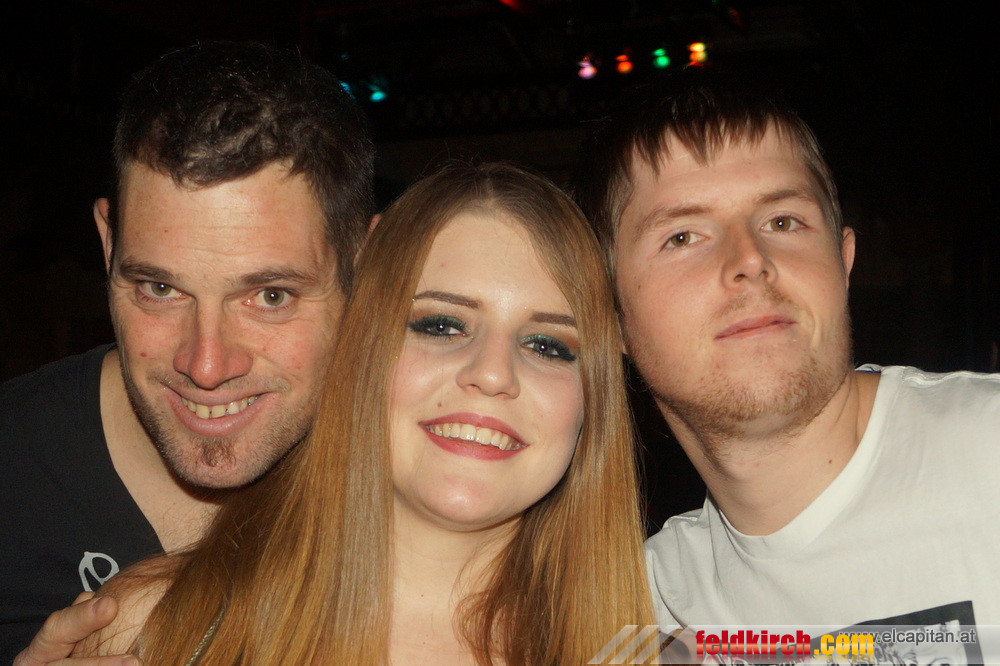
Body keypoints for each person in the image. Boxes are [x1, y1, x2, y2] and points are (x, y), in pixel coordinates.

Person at [71, 162, 655, 663]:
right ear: (361, 344)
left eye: (547, 345)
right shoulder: (152, 627)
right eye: (442, 325)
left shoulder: (661, 646)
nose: (494, 374)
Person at [574, 69, 1000, 654]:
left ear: (843, 263)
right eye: (683, 236)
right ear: (610, 316)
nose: (751, 258)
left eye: (782, 222)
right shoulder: (645, 613)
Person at [1, 40, 374, 663]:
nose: (205, 366)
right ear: (108, 243)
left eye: (271, 296)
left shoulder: (432, 485)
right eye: (160, 288)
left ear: (363, 262)